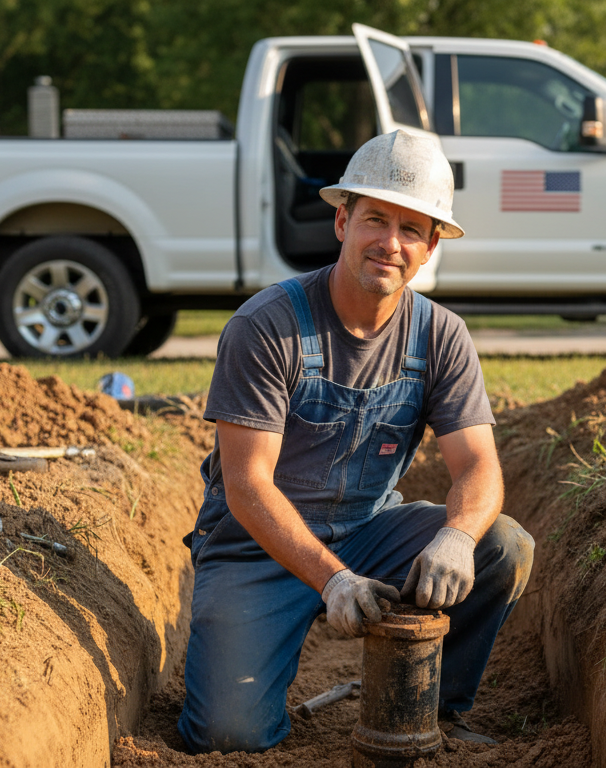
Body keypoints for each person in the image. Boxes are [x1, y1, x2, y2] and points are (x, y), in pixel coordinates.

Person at [177, 129, 534, 754]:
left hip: (370, 531)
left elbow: (478, 467)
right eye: (375, 220)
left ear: (430, 248)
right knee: (227, 736)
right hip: (256, 547)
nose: (390, 243)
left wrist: (454, 538)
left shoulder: (440, 336)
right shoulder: (268, 326)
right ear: (342, 221)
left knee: (501, 543)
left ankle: (435, 706)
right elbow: (247, 486)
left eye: (412, 230)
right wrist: (333, 580)